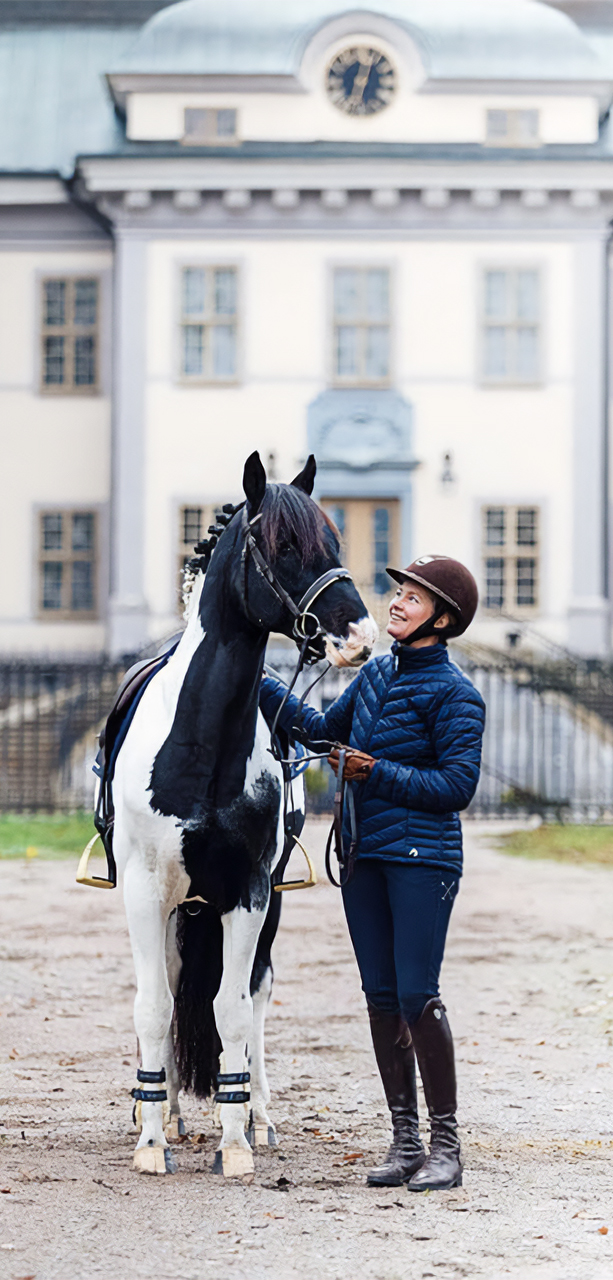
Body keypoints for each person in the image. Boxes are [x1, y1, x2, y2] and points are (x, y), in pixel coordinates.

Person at [260, 554, 486, 1191]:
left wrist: (374, 771)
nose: (397, 603)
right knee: (381, 999)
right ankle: (406, 1141)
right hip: (362, 858)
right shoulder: (377, 674)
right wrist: (253, 669)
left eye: (413, 598)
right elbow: (317, 730)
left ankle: (447, 1146)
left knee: (417, 996)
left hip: (423, 861)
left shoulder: (456, 695)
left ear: (442, 619)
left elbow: (456, 786)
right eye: (400, 593)